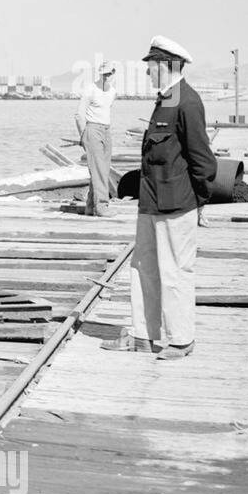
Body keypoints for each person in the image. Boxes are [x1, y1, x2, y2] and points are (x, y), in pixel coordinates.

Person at [103, 35, 217, 360]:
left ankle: (181, 341)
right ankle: (144, 336)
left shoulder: (187, 102)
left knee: (175, 272)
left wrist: (198, 202)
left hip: (176, 205)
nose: (147, 71)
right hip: (150, 203)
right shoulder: (166, 98)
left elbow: (203, 162)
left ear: (167, 65)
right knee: (142, 269)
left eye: (151, 65)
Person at [76, 61, 117, 216]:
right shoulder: (90, 89)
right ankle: (101, 206)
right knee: (99, 168)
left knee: (102, 169)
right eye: (104, 74)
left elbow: (107, 110)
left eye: (109, 74)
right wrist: (83, 136)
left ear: (113, 74)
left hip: (106, 130)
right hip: (92, 129)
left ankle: (90, 206)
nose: (107, 77)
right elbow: (79, 114)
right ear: (100, 74)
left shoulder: (112, 92)